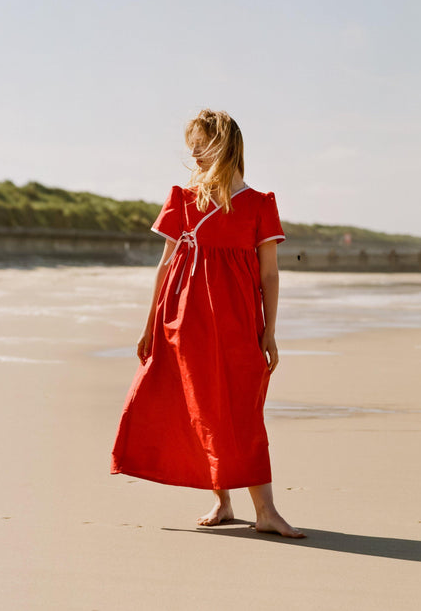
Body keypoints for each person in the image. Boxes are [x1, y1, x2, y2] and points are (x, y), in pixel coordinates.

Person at [111, 108, 306, 538]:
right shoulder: (182, 198)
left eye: (202, 145)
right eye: (191, 147)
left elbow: (269, 273)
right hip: (185, 319)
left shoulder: (259, 204)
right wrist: (149, 326)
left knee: (243, 410)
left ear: (227, 146)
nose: (195, 154)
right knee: (201, 406)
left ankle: (266, 510)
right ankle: (222, 501)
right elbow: (164, 267)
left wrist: (269, 331)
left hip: (238, 323)